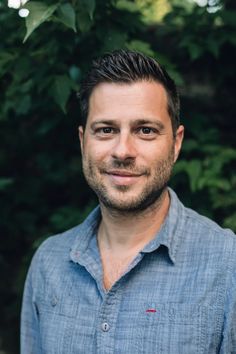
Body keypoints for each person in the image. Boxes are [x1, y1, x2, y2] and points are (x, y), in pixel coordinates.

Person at [21, 50, 236, 354]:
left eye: (145, 130)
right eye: (106, 130)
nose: (123, 150)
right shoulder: (49, 263)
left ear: (175, 143)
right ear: (83, 141)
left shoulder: (228, 265)